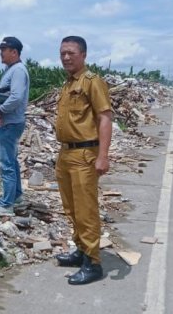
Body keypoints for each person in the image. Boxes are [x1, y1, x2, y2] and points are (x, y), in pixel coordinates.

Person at [54, 36, 113, 285]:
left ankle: (93, 262)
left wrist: (103, 156)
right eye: (62, 53)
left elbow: (105, 118)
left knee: (86, 210)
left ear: (84, 55)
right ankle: (81, 250)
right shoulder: (68, 85)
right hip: (66, 154)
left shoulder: (92, 82)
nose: (66, 57)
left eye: (71, 53)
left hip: (85, 155)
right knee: (71, 208)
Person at [0, 37, 30, 217]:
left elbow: (17, 97)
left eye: (4, 49)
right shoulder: (11, 69)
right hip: (9, 122)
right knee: (12, 160)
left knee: (6, 164)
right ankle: (17, 196)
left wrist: (0, 111)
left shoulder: (18, 71)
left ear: (14, 52)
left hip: (9, 123)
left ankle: (7, 205)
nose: (1, 53)